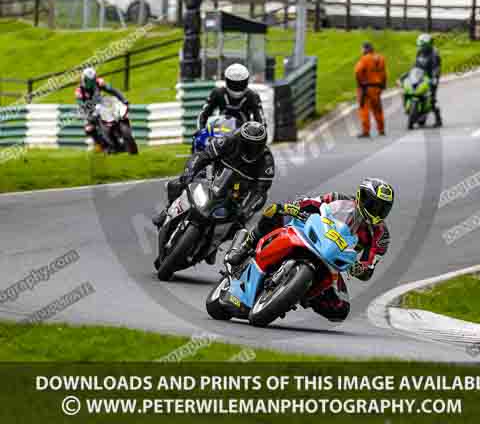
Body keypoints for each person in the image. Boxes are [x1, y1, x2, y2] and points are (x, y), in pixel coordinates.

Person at [225, 177, 394, 322]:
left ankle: (299, 292)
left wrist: (360, 269)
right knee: (273, 211)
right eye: (373, 204)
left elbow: (369, 266)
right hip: (310, 234)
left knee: (340, 310)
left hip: (332, 261)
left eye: (382, 208)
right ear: (362, 196)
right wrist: (292, 207)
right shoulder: (337, 199)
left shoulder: (380, 235)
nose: (376, 211)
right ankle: (245, 245)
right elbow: (310, 202)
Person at [152, 121, 275, 264]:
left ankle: (215, 246)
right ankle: (166, 211)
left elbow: (261, 191)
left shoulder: (266, 161)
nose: (250, 149)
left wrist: (246, 209)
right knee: (177, 184)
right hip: (213, 178)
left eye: (254, 146)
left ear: (261, 145)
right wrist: (189, 173)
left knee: (238, 224)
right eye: (247, 144)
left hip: (237, 194)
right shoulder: (228, 140)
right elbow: (202, 156)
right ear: (241, 140)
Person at [196, 63, 265, 130]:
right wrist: (201, 131)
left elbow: (260, 119)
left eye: (240, 83)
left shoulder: (252, 96)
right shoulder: (218, 93)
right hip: (220, 132)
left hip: (243, 135)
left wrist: (257, 133)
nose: (237, 86)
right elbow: (204, 114)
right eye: (234, 83)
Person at [75, 67, 129, 151]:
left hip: (102, 104)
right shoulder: (79, 91)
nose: (90, 83)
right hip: (89, 110)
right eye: (88, 81)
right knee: (89, 129)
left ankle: (122, 132)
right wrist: (87, 114)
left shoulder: (99, 82)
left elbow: (112, 90)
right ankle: (102, 146)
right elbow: (80, 104)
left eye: (92, 80)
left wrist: (123, 99)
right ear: (84, 79)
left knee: (115, 109)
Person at [354, 42, 387, 138]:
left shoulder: (364, 59)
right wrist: (383, 85)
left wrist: (360, 83)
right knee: (378, 109)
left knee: (364, 109)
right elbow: (384, 73)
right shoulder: (381, 58)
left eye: (362, 49)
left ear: (365, 49)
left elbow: (357, 71)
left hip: (366, 87)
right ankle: (381, 129)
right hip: (377, 87)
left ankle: (366, 131)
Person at [415, 33, 442, 126]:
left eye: (422, 46)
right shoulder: (419, 52)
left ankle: (438, 119)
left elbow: (436, 67)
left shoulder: (434, 53)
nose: (420, 47)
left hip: (432, 76)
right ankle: (420, 115)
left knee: (431, 98)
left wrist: (434, 77)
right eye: (420, 46)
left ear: (427, 45)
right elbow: (416, 64)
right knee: (417, 93)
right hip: (421, 76)